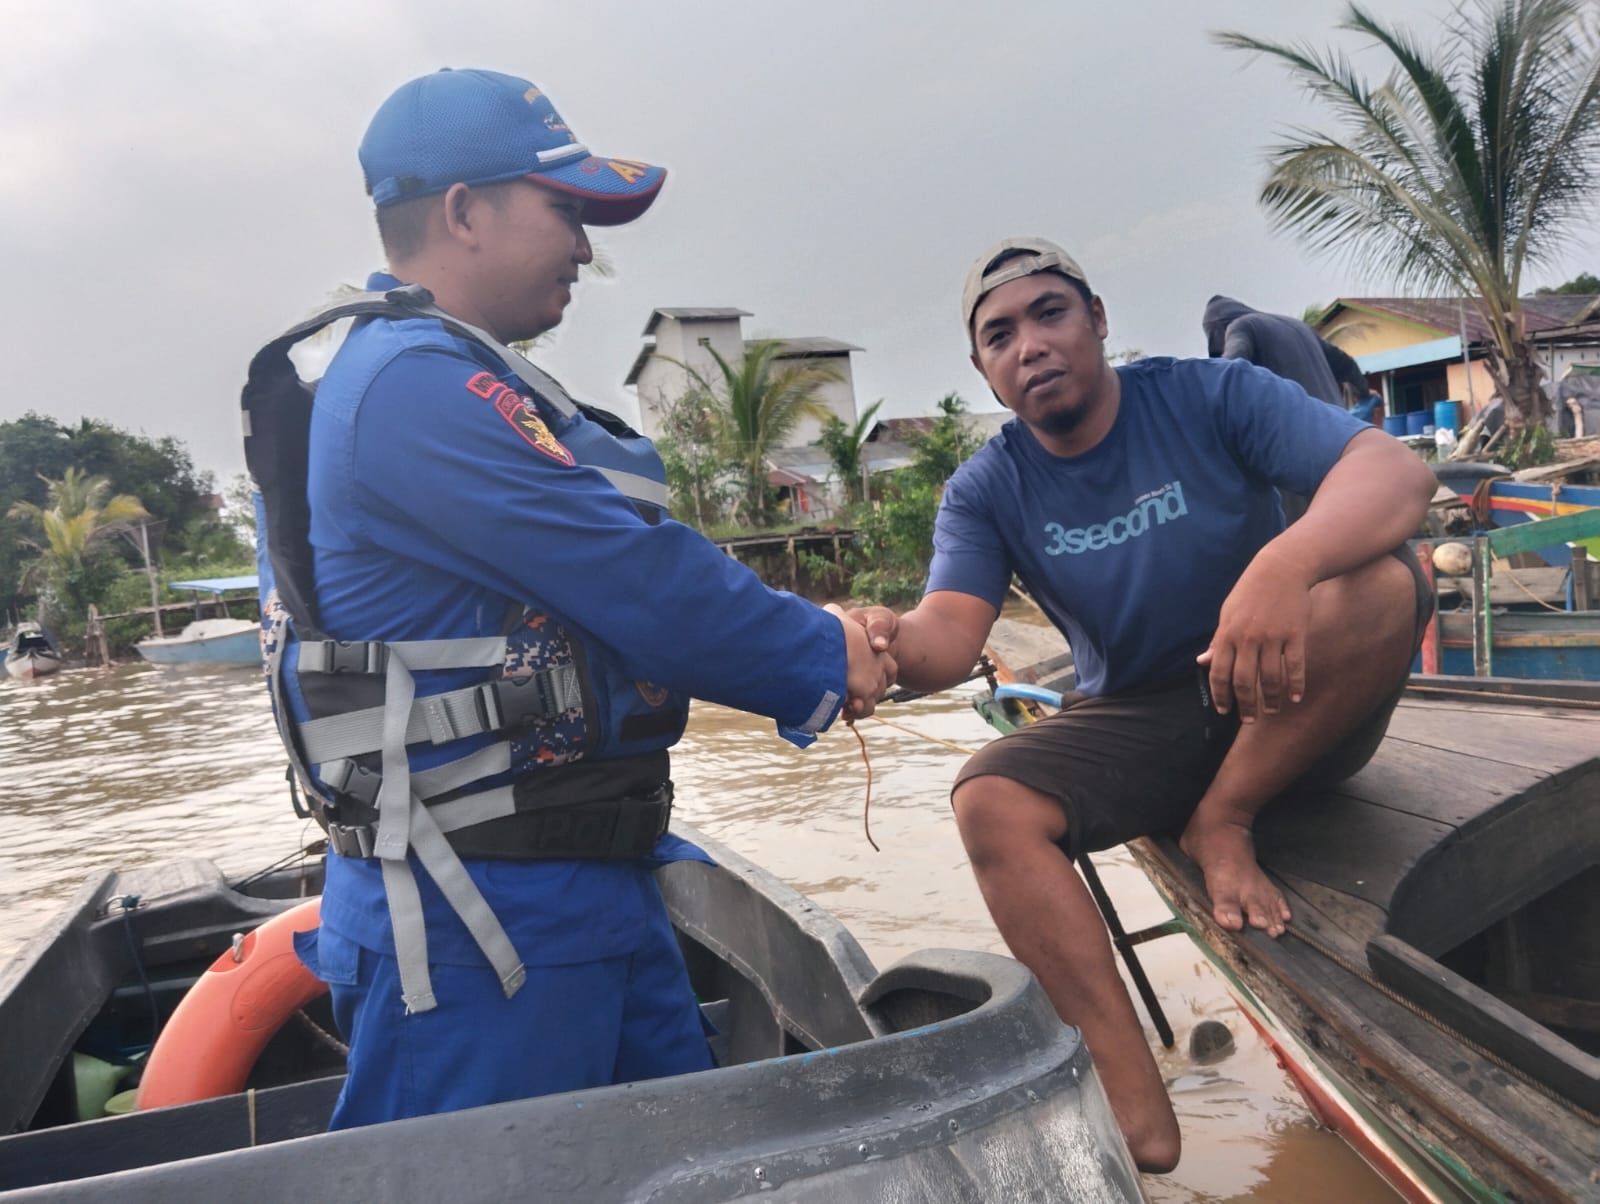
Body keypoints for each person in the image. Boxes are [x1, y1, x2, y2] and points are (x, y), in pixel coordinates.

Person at [246, 68, 893, 1130]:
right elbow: (639, 580)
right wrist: (829, 651)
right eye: (565, 211)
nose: (587, 247)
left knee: (687, 1163)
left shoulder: (442, 375)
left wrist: (816, 634)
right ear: (463, 211)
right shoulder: (413, 385)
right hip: (478, 926)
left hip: (583, 888)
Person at [847, 238, 1436, 1171]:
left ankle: (1224, 816)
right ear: (983, 370)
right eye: (1000, 334)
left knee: (1381, 584)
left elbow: (1396, 475)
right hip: (1146, 716)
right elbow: (948, 638)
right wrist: (873, 637)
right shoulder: (986, 487)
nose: (1030, 344)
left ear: (1098, 321)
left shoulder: (1207, 396)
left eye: (1050, 314)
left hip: (1288, 688)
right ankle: (1135, 1117)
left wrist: (1285, 564)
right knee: (987, 799)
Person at [1202, 295, 1360, 523]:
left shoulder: (1242, 326)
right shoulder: (1299, 327)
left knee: (1301, 528)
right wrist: (1364, 397)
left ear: (1217, 327)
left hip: (1296, 449)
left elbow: (1229, 371)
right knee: (1350, 520)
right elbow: (1347, 365)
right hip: (1341, 438)